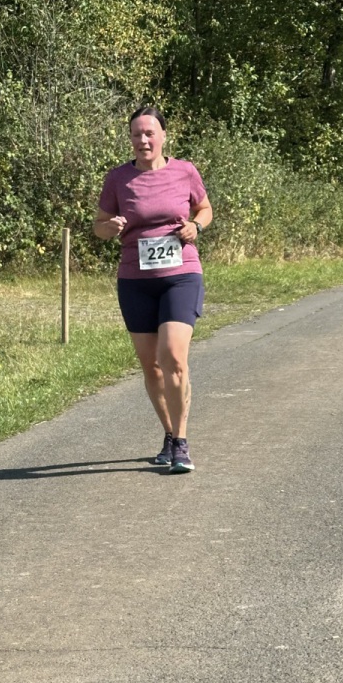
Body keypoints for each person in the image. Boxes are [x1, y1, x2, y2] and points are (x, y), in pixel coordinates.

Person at [93, 106, 213, 473]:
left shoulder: (184, 171)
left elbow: (205, 209)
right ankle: (169, 434)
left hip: (181, 274)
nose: (143, 140)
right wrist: (110, 228)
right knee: (152, 366)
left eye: (149, 133)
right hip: (135, 280)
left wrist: (196, 226)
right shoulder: (118, 178)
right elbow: (98, 226)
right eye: (136, 134)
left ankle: (182, 442)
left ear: (163, 136)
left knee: (173, 356)